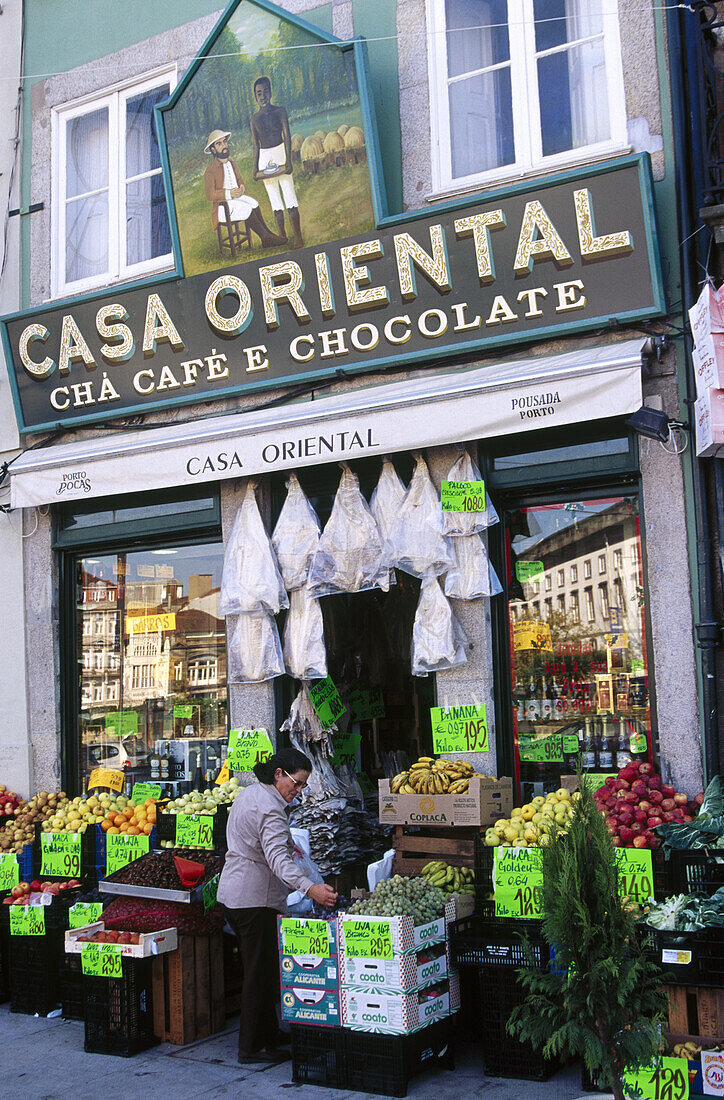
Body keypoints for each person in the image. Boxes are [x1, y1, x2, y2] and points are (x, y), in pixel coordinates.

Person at [217, 747, 337, 1064]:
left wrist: (286, 840)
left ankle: (267, 1036)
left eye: (302, 786)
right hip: (253, 900)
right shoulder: (271, 809)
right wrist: (310, 888)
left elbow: (257, 840)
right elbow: (278, 861)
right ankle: (251, 1047)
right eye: (296, 784)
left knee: (264, 969)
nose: (298, 792)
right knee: (258, 975)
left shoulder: (252, 793)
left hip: (235, 894)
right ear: (278, 774)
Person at [203, 129, 285, 249]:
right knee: (247, 208)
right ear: (213, 150)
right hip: (223, 207)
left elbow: (239, 180)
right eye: (219, 144)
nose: (224, 146)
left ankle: (268, 235)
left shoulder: (232, 163)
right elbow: (210, 195)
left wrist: (241, 187)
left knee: (254, 203)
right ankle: (265, 237)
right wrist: (229, 193)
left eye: (224, 142)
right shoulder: (210, 170)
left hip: (236, 199)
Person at [250, 77, 303, 249]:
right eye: (259, 93)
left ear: (270, 92)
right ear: (255, 97)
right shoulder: (254, 119)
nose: (262, 96)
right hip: (265, 159)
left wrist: (288, 160)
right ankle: (282, 237)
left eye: (265, 92)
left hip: (280, 152)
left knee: (289, 195)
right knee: (274, 199)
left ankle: (298, 237)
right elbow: (256, 145)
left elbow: (287, 136)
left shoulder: (280, 111)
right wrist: (254, 169)